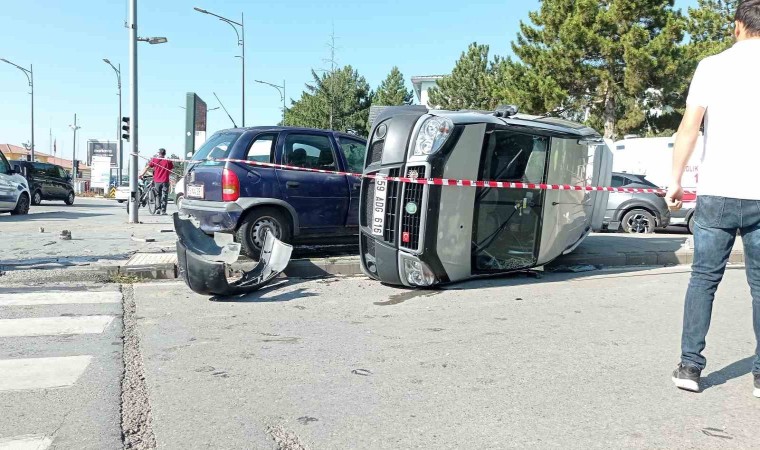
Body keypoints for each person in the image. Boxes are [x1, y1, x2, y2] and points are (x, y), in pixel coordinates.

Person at [667, 0, 760, 397]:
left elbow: (690, 127)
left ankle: (690, 367)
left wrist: (674, 180)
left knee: (703, 280)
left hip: (718, 192)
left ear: (738, 25)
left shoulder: (712, 66)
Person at [140, 148, 174, 215]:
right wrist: (167, 174)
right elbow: (171, 170)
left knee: (157, 195)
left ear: (159, 153)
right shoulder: (168, 161)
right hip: (165, 181)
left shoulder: (155, 160)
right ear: (165, 153)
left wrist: (141, 174)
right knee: (165, 195)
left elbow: (147, 167)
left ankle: (158, 209)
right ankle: (163, 211)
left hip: (157, 181)